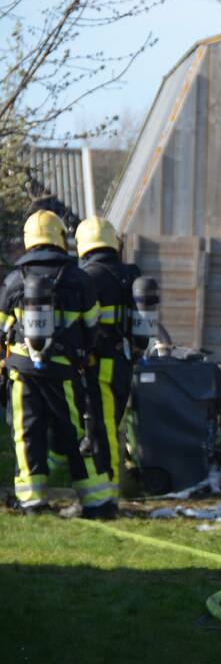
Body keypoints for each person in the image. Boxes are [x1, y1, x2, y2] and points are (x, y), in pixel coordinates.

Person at [0, 211, 113, 517]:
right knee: (77, 433)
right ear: (61, 237)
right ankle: (97, 500)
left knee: (27, 433)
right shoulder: (80, 279)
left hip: (22, 372)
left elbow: (2, 328)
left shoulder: (13, 280)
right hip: (64, 371)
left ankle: (32, 501)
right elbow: (92, 328)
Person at [74, 217, 141, 506]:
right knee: (116, 424)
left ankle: (109, 490)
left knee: (103, 427)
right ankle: (117, 483)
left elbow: (85, 325)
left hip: (100, 363)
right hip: (124, 360)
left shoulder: (89, 276)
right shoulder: (131, 273)